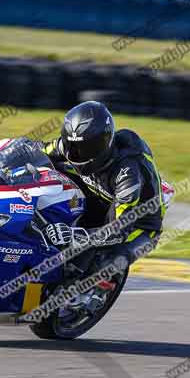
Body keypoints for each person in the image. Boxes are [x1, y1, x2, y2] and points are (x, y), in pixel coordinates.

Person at [39, 101, 169, 276]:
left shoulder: (127, 173)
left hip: (137, 224)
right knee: (51, 172)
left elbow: (118, 230)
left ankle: (82, 298)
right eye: (73, 147)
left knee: (105, 262)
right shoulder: (70, 146)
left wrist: (73, 235)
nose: (77, 154)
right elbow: (40, 151)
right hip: (101, 195)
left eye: (85, 149)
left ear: (104, 144)